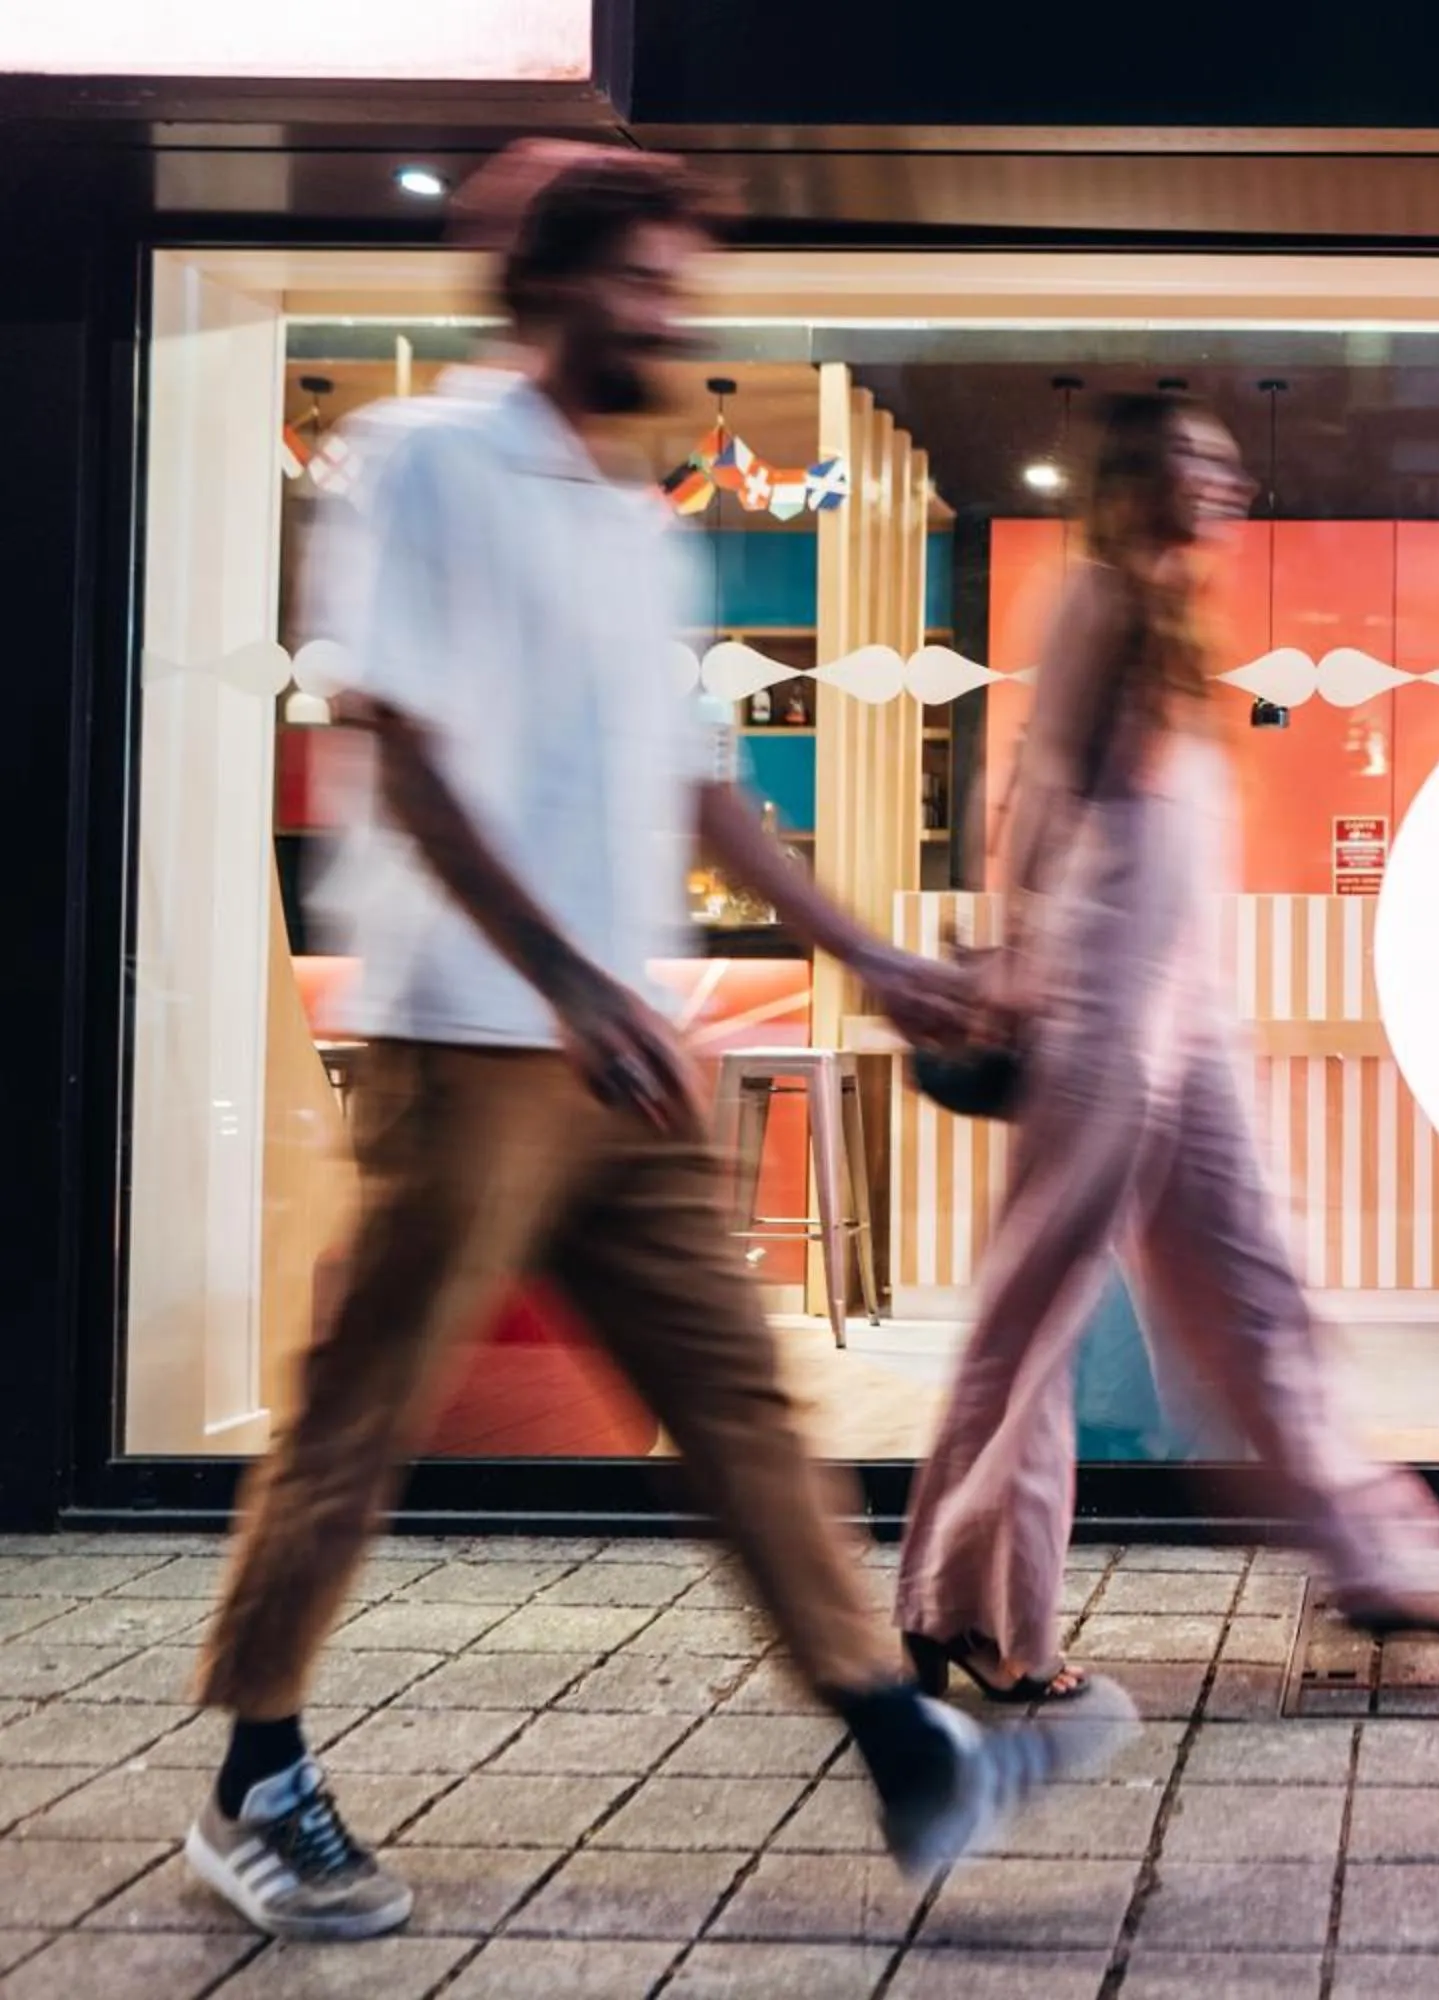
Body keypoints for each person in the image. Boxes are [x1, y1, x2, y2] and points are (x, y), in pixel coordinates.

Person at [184, 141, 1130, 1943]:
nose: (674, 313)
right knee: (363, 1417)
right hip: (470, 1037)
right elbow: (400, 748)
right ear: (550, 282)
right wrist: (564, 978)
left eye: (680, 282)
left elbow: (702, 791)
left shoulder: (637, 519)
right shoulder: (421, 461)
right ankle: (256, 1783)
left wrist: (873, 959)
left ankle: (905, 1747)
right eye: (644, 279)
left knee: (736, 1405)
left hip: (625, 1046)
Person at [895, 393, 1439, 1705]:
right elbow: (1040, 785)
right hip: (1099, 1005)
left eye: (1228, 466)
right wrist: (1011, 952)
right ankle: (967, 1607)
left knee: (1261, 1286)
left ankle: (1374, 1558)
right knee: (1038, 1313)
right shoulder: (1097, 596)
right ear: (1137, 479)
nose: (1229, 484)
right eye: (1198, 463)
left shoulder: (1175, 624)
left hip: (1188, 1012)